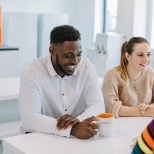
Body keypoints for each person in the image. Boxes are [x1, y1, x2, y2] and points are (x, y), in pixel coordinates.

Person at [19, 25, 105, 139]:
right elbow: (29, 119)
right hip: (40, 137)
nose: (75, 61)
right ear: (52, 50)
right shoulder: (32, 70)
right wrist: (72, 129)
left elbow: (97, 105)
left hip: (74, 141)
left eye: (78, 54)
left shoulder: (87, 67)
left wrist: (78, 122)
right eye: (68, 56)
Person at [102, 37, 154, 118]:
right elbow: (111, 108)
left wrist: (150, 107)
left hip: (144, 124)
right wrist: (144, 111)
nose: (146, 59)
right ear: (127, 56)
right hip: (121, 126)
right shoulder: (112, 75)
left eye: (148, 54)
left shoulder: (151, 73)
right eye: (140, 55)